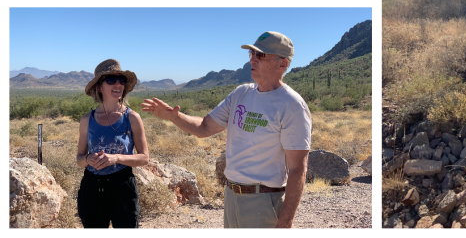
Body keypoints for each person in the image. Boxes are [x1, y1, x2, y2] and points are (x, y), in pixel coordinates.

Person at [141, 31, 311, 229]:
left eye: (260, 55)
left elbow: (298, 168)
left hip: (264, 200)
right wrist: (174, 116)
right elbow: (204, 128)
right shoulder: (241, 93)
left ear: (282, 64)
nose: (253, 60)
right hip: (231, 195)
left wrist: (286, 220)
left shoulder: (292, 105)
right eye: (252, 54)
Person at [76, 59, 150, 229]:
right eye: (111, 80)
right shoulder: (87, 119)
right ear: (100, 87)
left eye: (121, 80)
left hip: (122, 186)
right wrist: (89, 158)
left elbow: (144, 158)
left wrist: (115, 158)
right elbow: (79, 160)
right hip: (92, 187)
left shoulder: (132, 118)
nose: (117, 84)